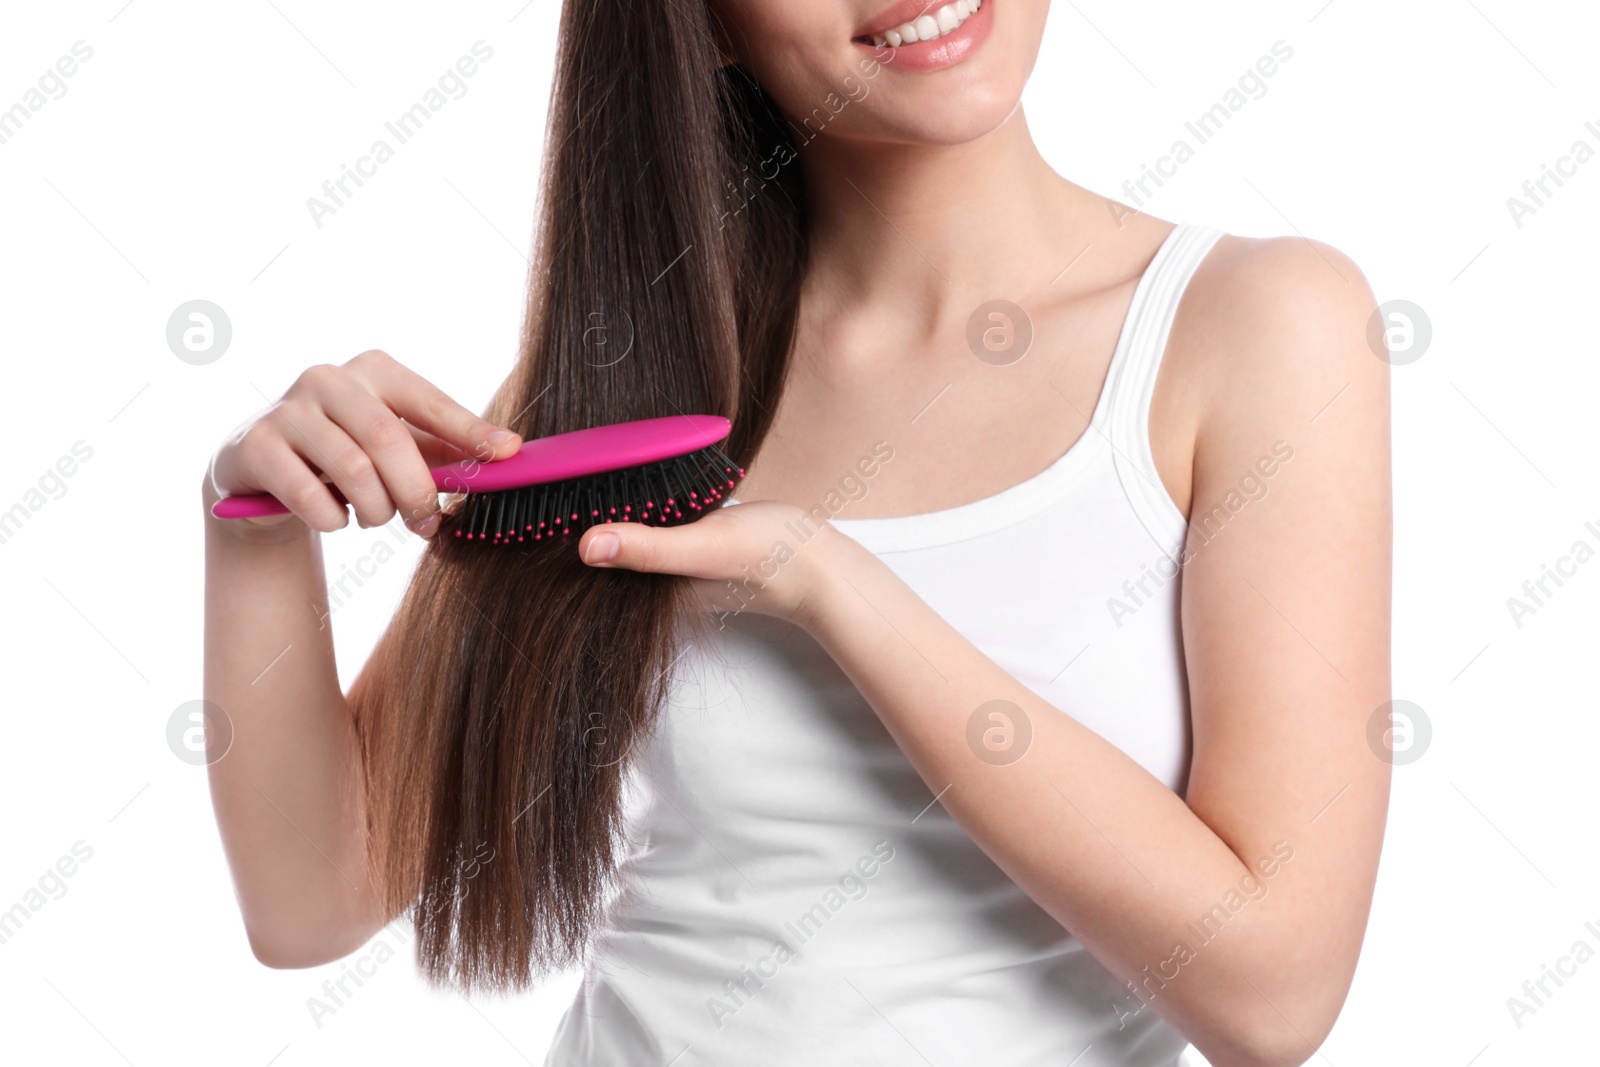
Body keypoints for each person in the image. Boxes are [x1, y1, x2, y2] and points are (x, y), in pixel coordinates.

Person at [201, 1, 1391, 1064]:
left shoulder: (1257, 326)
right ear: (706, 22)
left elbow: (1272, 994)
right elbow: (317, 894)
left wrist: (831, 585)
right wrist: (258, 526)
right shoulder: (623, 386)